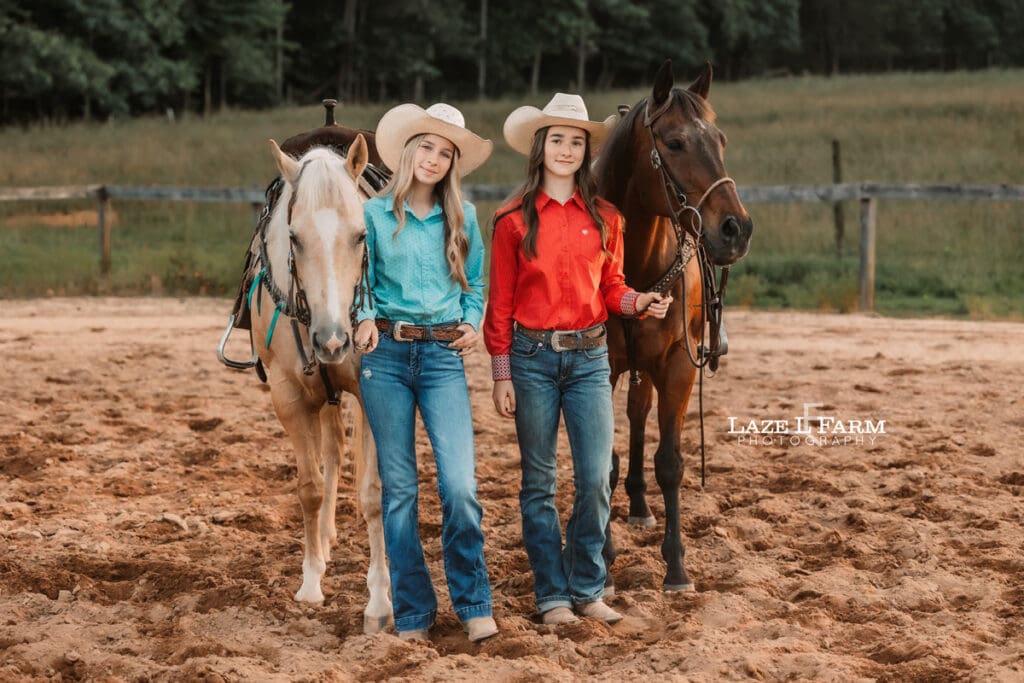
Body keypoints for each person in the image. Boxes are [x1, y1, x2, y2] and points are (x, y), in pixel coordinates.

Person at [484, 93, 672, 626]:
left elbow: (611, 286)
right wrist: (501, 373)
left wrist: (640, 301)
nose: (567, 150)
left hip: (590, 358)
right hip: (531, 359)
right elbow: (499, 304)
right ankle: (551, 594)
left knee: (594, 479)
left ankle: (588, 587)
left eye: (576, 141)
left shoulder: (607, 217)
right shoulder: (511, 220)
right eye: (557, 140)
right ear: (540, 148)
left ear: (586, 151)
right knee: (539, 483)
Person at [354, 102, 497, 643]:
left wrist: (472, 320)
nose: (434, 159)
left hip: (442, 358)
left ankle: (473, 601)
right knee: (400, 491)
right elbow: (357, 277)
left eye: (446, 152)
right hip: (385, 357)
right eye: (427, 147)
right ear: (409, 151)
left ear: (453, 162)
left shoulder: (463, 217)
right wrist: (365, 315)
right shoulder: (371, 215)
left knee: (459, 486)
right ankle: (413, 612)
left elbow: (476, 284)